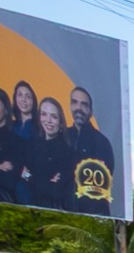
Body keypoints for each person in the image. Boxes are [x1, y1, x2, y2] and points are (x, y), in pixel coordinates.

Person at [63, 85, 116, 214]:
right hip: (61, 214)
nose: (79, 108)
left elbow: (101, 184)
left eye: (84, 104)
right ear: (70, 106)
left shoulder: (101, 142)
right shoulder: (62, 137)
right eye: (75, 102)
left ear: (91, 112)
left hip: (91, 217)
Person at [25, 98, 73, 208]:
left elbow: (56, 191)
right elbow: (22, 174)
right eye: (44, 114)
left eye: (54, 116)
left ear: (61, 122)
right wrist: (44, 181)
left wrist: (30, 178)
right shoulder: (31, 144)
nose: (48, 120)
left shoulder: (67, 153)